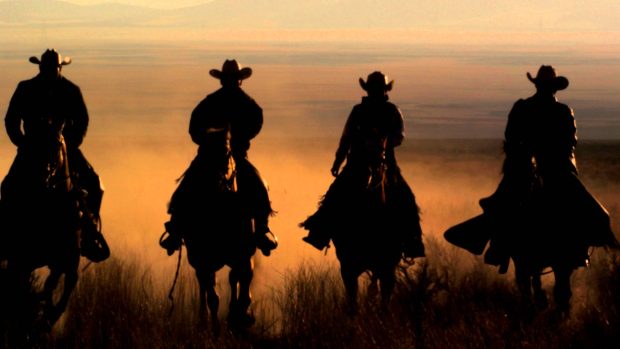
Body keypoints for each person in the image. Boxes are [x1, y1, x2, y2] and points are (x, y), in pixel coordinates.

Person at [459, 65, 617, 312]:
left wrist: (548, 149)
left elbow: (570, 140)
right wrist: (524, 151)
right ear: (538, 86)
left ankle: (581, 246)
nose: (546, 89)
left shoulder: (564, 111)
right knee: (502, 201)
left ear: (554, 87)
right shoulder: (522, 108)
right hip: (525, 165)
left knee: (586, 204)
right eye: (544, 85)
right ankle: (498, 246)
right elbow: (511, 137)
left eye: (549, 86)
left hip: (557, 167)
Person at [301, 71, 424, 259]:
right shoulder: (358, 111)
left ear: (384, 90)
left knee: (406, 197)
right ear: (369, 90)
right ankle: (319, 232)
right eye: (373, 89)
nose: (376, 92)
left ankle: (412, 242)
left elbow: (399, 135)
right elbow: (347, 137)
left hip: (386, 164)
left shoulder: (392, 111)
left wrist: (384, 142)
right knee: (334, 194)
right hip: (356, 163)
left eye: (379, 89)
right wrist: (338, 160)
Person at [161, 59, 277, 256]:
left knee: (258, 185)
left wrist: (238, 138)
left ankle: (261, 229)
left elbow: (256, 121)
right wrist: (208, 139)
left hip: (236, 156)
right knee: (185, 187)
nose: (232, 81)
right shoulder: (214, 102)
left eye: (234, 78)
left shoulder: (243, 103)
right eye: (230, 78)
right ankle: (176, 229)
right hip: (208, 155)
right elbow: (194, 128)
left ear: (238, 80)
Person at [1, 49, 107, 262]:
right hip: (30, 149)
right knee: (8, 187)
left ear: (59, 68)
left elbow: (82, 121)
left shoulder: (70, 90)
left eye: (53, 68)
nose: (50, 71)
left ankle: (89, 235)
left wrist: (71, 145)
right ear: (40, 67)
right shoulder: (26, 88)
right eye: (46, 68)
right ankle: (6, 237)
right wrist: (22, 142)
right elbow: (11, 119)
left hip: (64, 149)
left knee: (95, 185)